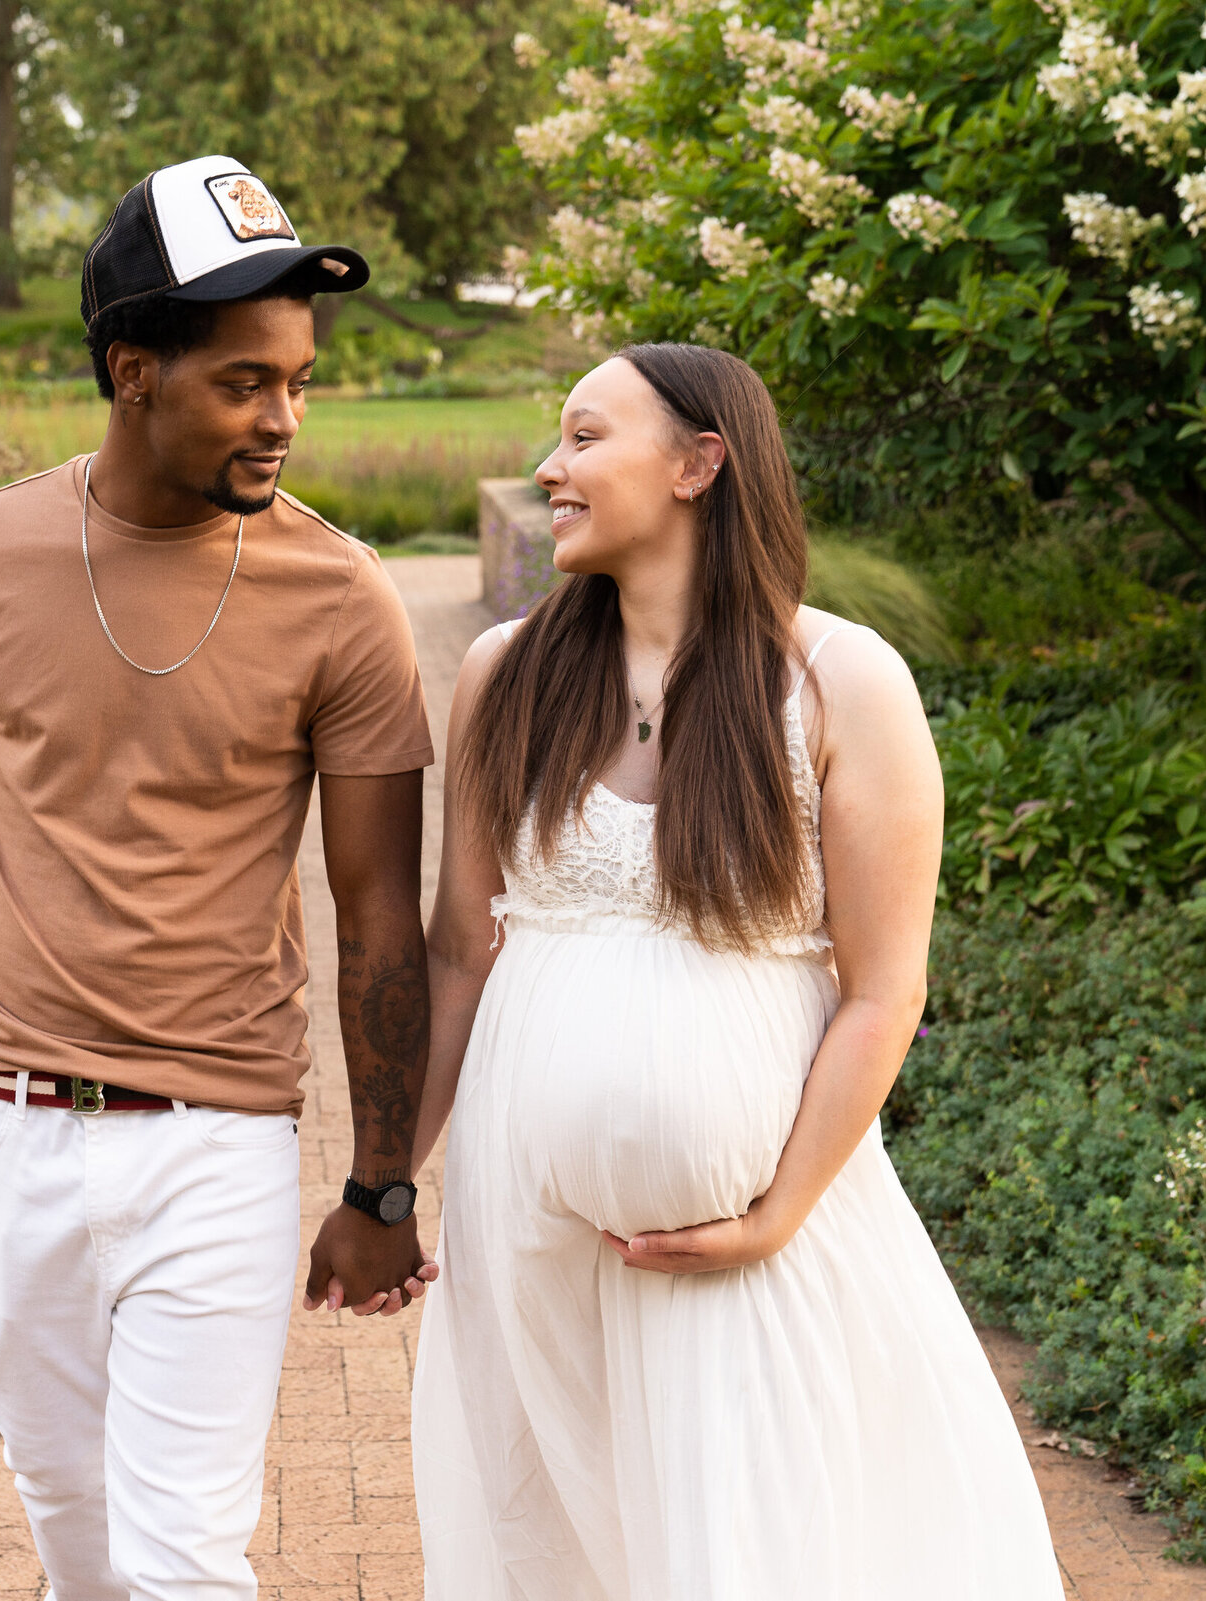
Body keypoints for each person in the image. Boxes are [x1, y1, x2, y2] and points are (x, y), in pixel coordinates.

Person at [0, 155, 438, 1601]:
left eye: (301, 382)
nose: (286, 419)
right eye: (247, 382)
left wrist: (380, 1186)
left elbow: (379, 909)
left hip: (218, 1135)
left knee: (182, 1551)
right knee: (68, 1509)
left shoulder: (343, 596)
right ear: (133, 368)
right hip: (10, 1122)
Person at [408, 343, 1062, 1598]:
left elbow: (886, 987)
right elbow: (455, 954)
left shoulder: (840, 681)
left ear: (701, 462)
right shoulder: (504, 676)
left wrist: (775, 1213)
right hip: (525, 1243)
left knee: (750, 1548)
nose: (551, 468)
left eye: (586, 437)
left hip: (751, 1248)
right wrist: (388, 1182)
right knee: (548, 1541)